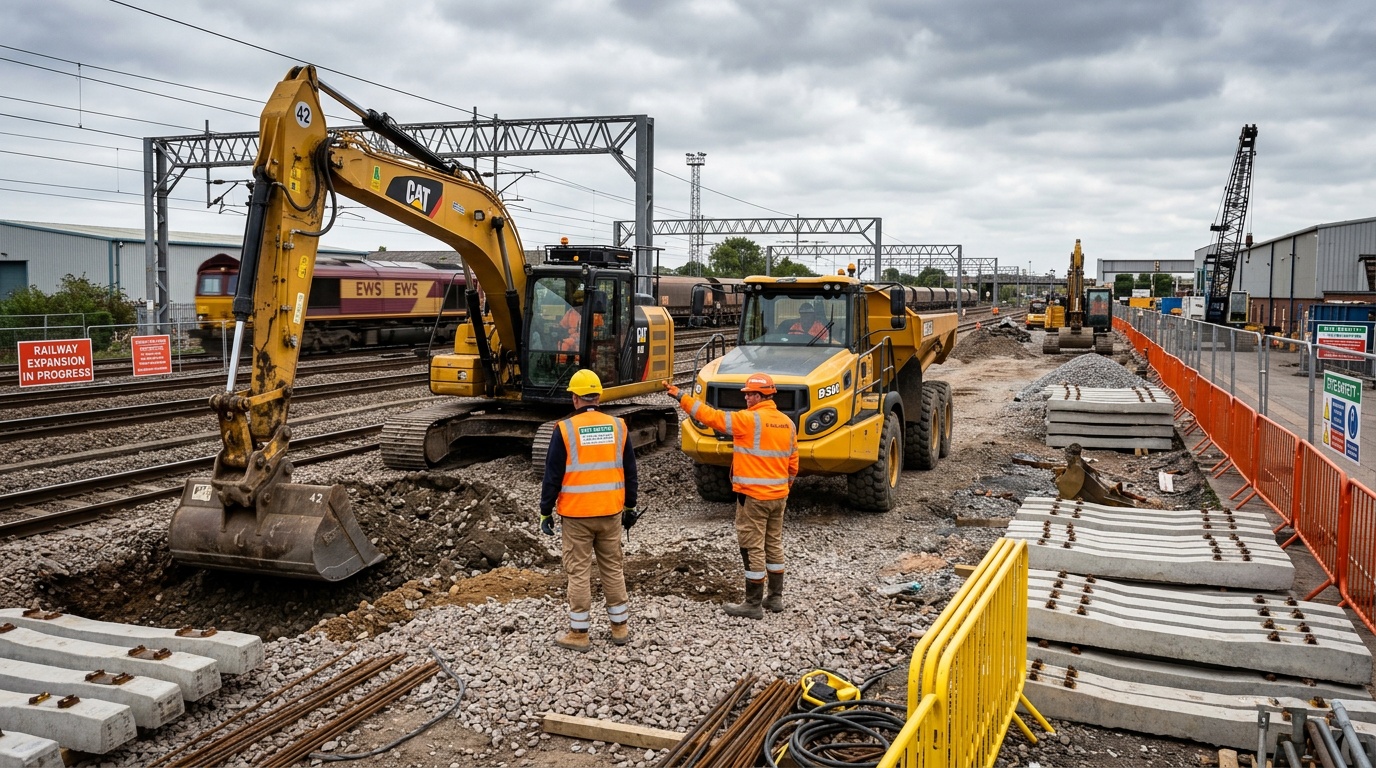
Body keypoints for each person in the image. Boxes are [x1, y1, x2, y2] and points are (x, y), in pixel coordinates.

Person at [665, 373, 798, 619]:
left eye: (749, 393)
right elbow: (793, 463)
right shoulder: (787, 423)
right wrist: (784, 488)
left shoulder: (747, 420)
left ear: (760, 395)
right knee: (774, 543)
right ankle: (776, 598)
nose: (746, 397)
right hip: (778, 497)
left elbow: (710, 417)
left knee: (752, 546)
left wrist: (681, 396)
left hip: (753, 497)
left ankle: (753, 603)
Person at [539, 369, 638, 651]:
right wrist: (630, 506)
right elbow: (630, 471)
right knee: (612, 568)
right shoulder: (618, 426)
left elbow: (552, 475)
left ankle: (579, 634)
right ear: (599, 397)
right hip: (610, 513)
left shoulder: (565, 429)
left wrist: (546, 511)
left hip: (577, 515)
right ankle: (620, 628)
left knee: (579, 572)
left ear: (574, 398)